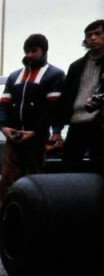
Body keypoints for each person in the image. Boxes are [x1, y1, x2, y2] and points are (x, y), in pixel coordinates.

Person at [0, 34, 65, 226]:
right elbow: (4, 105)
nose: (30, 55)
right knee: (8, 178)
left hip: (37, 137)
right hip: (14, 136)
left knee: (34, 178)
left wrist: (38, 131)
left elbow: (54, 108)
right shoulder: (14, 76)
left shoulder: (55, 75)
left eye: (34, 51)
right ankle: (4, 216)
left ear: (43, 51)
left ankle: (33, 218)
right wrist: (3, 126)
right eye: (27, 51)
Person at [55, 19, 104, 174]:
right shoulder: (76, 66)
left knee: (99, 168)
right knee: (68, 168)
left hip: (99, 123)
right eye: (89, 35)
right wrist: (57, 130)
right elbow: (65, 98)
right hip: (77, 122)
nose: (93, 38)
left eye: (98, 33)